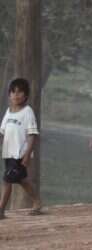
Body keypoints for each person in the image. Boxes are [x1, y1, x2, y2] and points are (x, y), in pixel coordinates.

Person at [0, 78, 41, 219]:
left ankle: (1, 210)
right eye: (13, 92)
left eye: (19, 92)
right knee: (22, 180)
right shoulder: (9, 112)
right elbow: (2, 132)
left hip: (20, 154)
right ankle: (36, 202)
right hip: (8, 153)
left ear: (26, 95)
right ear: (9, 95)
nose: (15, 95)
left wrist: (27, 154)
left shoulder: (27, 111)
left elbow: (32, 134)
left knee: (6, 180)